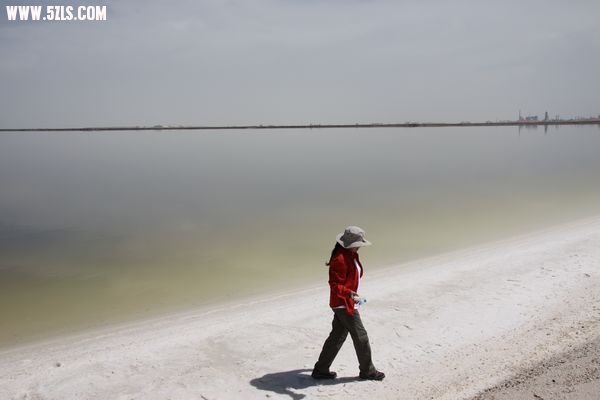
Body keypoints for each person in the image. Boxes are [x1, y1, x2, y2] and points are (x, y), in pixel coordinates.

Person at [312, 226, 385, 381]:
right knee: (361, 336)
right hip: (343, 304)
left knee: (337, 337)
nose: (359, 246)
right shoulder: (340, 259)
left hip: (347, 302)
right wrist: (349, 293)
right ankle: (368, 371)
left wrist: (351, 294)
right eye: (358, 243)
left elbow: (351, 277)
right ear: (351, 244)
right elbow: (334, 284)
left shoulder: (351, 254)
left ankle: (320, 369)